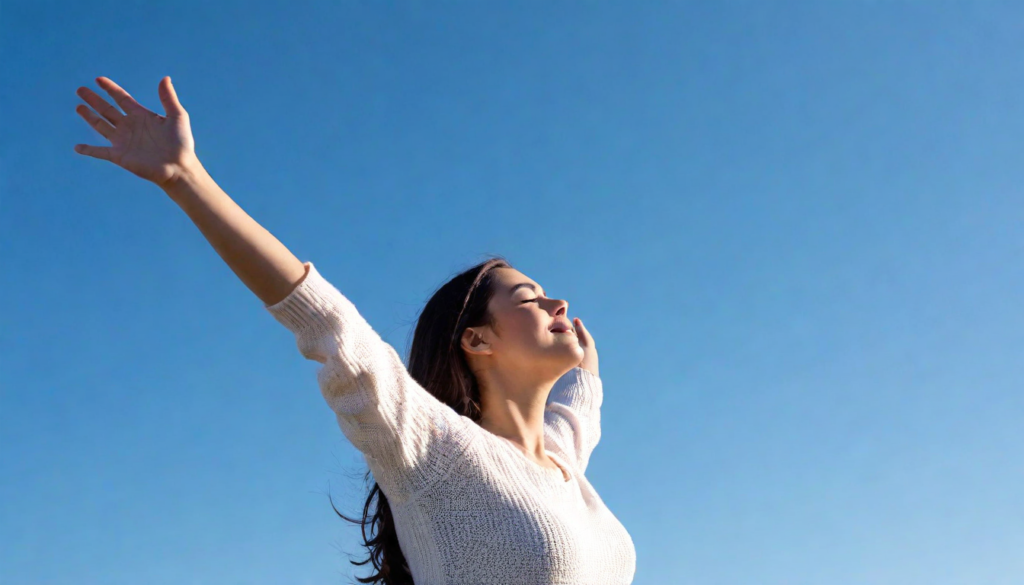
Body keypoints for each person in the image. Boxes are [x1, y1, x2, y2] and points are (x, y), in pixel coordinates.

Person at [73, 76, 637, 585]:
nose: (556, 302)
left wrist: (584, 366)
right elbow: (327, 322)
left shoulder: (562, 458)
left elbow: (581, 409)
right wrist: (187, 179)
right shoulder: (433, 450)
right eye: (529, 299)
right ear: (477, 340)